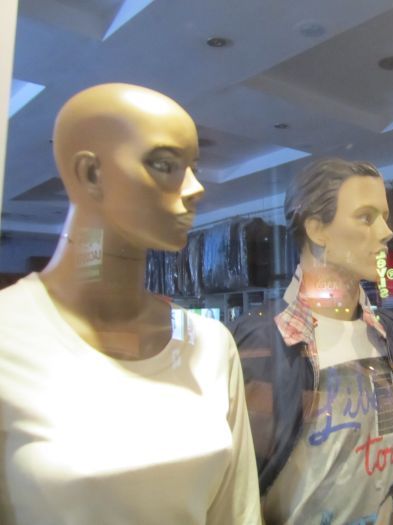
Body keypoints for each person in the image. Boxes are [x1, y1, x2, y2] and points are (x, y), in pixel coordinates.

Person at [0, 83, 261, 525]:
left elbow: (237, 513)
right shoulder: (9, 336)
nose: (196, 188)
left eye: (193, 167)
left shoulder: (211, 345)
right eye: (164, 165)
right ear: (91, 174)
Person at [232, 158, 393, 525]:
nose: (387, 232)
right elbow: (236, 484)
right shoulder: (260, 342)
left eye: (385, 217)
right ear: (317, 229)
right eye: (366, 217)